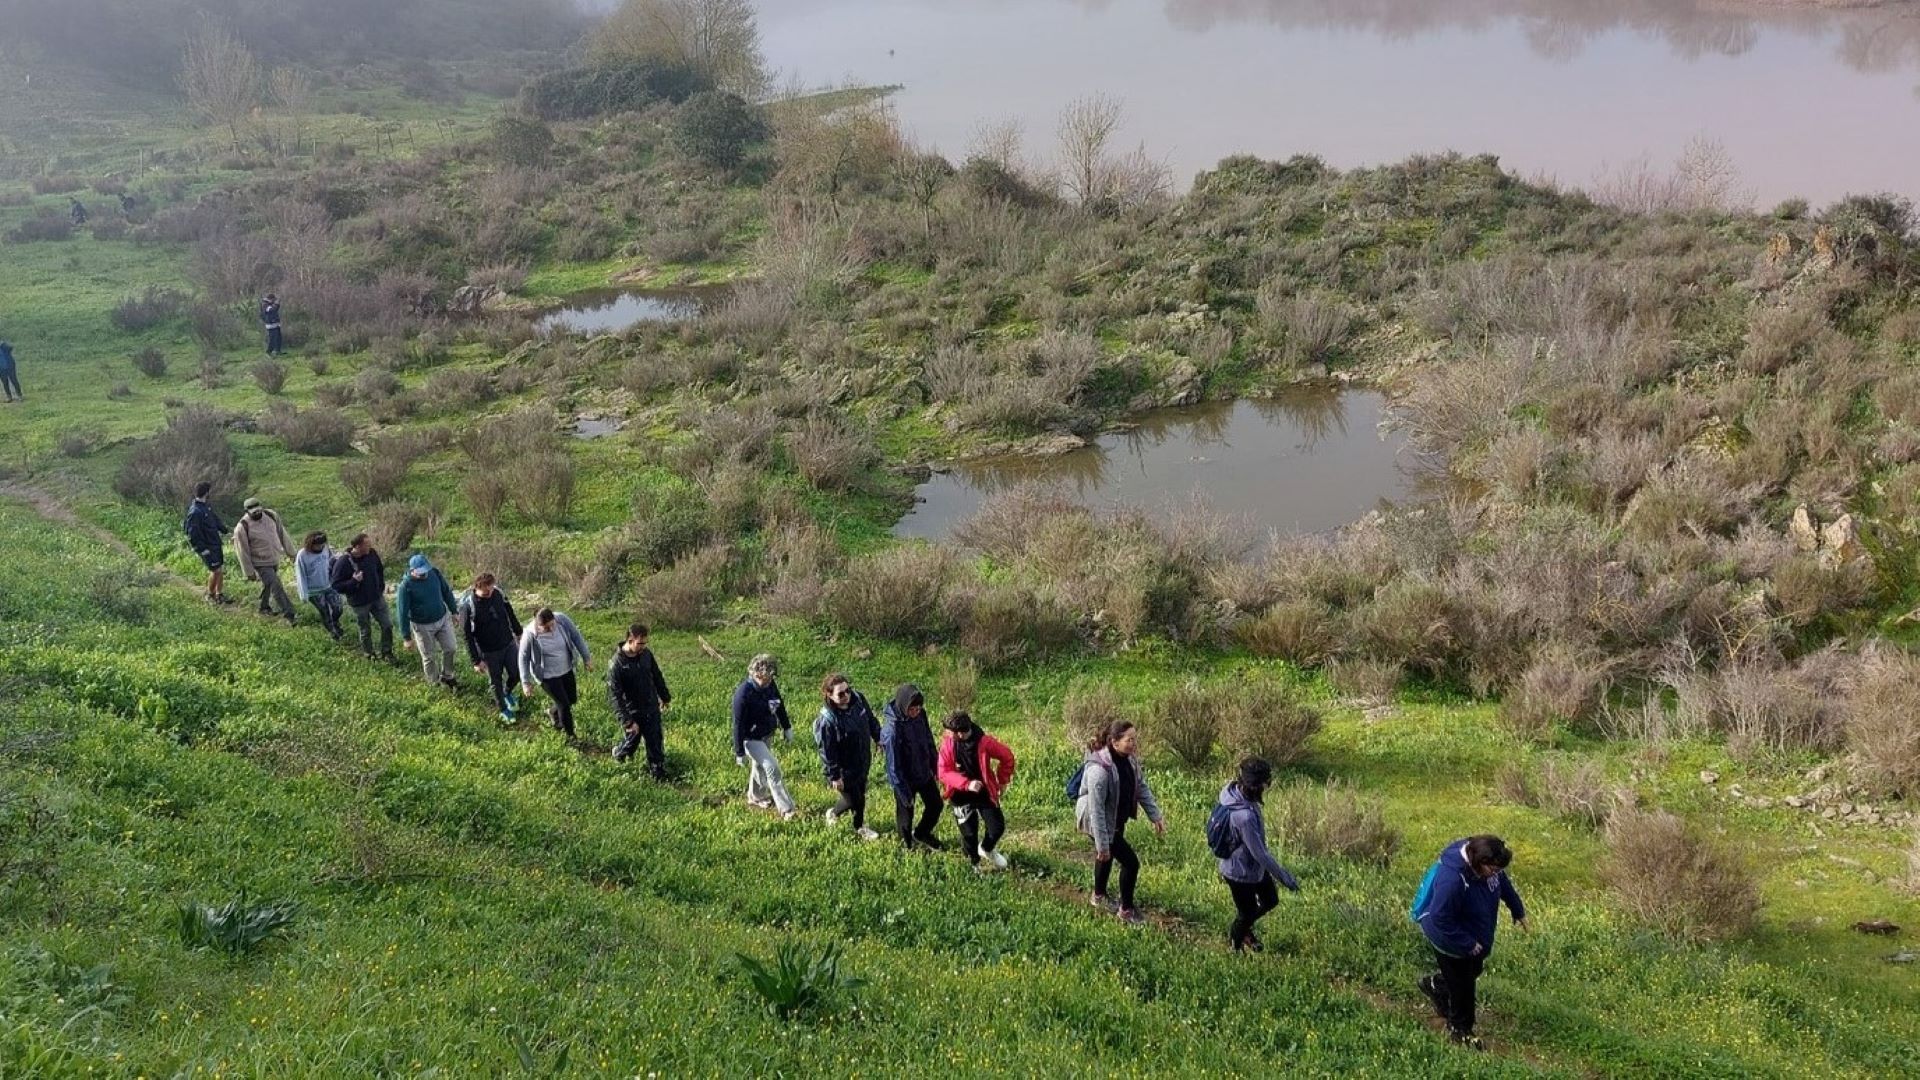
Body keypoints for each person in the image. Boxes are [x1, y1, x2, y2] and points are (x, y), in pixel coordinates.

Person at [1414, 835, 1530, 1050]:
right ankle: (1460, 1030)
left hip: (1472, 936)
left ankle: (1436, 986)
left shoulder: (1488, 866)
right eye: (1493, 869)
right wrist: (1467, 943)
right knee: (1464, 986)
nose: (1496, 873)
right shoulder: (1453, 879)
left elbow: (1502, 881)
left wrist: (1517, 909)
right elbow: (1441, 918)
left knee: (1471, 972)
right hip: (1448, 939)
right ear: (1480, 862)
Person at [1076, 720, 1167, 924]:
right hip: (1096, 820)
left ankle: (1098, 897)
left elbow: (1140, 786)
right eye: (1129, 739)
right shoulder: (1099, 771)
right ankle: (1126, 910)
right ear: (1114, 742)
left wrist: (1156, 816)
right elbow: (1097, 811)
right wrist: (1102, 843)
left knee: (1106, 856)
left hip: (1116, 818)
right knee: (1130, 863)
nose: (1134, 743)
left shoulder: (1129, 760)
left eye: (1135, 738)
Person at [1215, 758, 1302, 953]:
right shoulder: (1243, 816)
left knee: (1270, 900)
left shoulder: (1235, 792)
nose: (1267, 787)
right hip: (1239, 874)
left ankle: (1244, 931)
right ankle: (1235, 946)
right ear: (1256, 786)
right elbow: (1260, 854)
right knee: (1246, 914)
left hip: (1253, 869)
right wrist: (1285, 877)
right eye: (1266, 783)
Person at [937, 711, 1017, 873]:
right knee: (969, 832)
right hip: (959, 792)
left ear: (960, 733)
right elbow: (943, 772)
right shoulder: (948, 744)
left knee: (997, 827)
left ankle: (987, 848)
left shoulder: (984, 742)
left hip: (983, 791)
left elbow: (1007, 756)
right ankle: (973, 863)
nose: (946, 734)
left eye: (949, 732)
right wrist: (966, 784)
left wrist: (1002, 781)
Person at [815, 674, 883, 841]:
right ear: (829, 695)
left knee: (860, 793)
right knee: (855, 799)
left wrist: (878, 737)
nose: (846, 696)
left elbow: (871, 719)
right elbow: (827, 750)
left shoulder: (858, 699)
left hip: (862, 759)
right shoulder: (827, 720)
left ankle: (840, 816)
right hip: (843, 767)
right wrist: (835, 776)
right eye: (841, 694)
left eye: (848, 690)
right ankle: (858, 826)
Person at [731, 654, 798, 820]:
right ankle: (787, 809)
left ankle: (755, 796)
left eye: (771, 677)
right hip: (751, 738)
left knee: (759, 766)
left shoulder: (769, 684)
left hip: (766, 732)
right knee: (771, 767)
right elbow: (738, 725)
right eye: (766, 678)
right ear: (756, 674)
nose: (769, 682)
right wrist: (739, 752)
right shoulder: (742, 695)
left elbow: (778, 703)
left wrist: (786, 727)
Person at [880, 683, 943, 850]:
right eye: (912, 709)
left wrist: (935, 767)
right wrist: (903, 791)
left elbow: (929, 741)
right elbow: (893, 766)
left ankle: (922, 833)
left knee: (936, 805)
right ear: (903, 706)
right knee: (905, 816)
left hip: (923, 771)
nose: (916, 712)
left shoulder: (921, 715)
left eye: (918, 708)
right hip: (905, 778)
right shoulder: (892, 730)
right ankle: (906, 846)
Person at [517, 607, 591, 739]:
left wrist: (587, 658)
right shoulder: (530, 634)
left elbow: (576, 636)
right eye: (546, 628)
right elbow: (523, 657)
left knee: (571, 699)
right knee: (564, 705)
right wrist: (525, 682)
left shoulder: (561, 619)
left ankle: (552, 711)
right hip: (547, 676)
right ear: (538, 624)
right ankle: (570, 736)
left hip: (566, 669)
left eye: (552, 625)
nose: (551, 629)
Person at [608, 622, 672, 777]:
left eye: (645, 643)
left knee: (655, 739)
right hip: (632, 711)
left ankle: (657, 769)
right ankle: (619, 753)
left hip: (650, 706)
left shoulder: (646, 655)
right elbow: (614, 695)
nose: (643, 646)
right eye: (640, 643)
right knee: (632, 742)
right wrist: (627, 721)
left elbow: (656, 675)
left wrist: (664, 697)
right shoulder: (617, 664)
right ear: (630, 641)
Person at [459, 573, 523, 725]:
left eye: (492, 590)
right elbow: (466, 635)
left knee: (517, 673)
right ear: (476, 588)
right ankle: (502, 709)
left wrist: (519, 632)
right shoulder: (468, 607)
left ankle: (507, 693)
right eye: (486, 592)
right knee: (496, 682)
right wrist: (476, 661)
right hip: (488, 651)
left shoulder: (498, 594)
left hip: (508, 643)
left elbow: (510, 612)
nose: (490, 594)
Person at [396, 554, 460, 688]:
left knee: (451, 647)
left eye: (425, 570)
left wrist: (454, 611)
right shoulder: (406, 586)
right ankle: (433, 682)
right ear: (412, 570)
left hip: (442, 619)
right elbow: (402, 612)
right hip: (422, 625)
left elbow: (446, 592)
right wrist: (406, 637)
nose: (423, 574)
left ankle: (448, 676)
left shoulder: (434, 574)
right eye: (420, 572)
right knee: (429, 656)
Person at [232, 497, 297, 625]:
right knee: (276, 585)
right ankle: (290, 614)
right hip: (260, 563)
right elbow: (242, 551)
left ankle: (264, 607)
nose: (257, 513)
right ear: (247, 511)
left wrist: (292, 553)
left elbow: (282, 534)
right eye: (253, 512)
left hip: (274, 558)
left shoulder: (271, 516)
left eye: (258, 510)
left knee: (268, 584)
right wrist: (249, 572)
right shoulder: (242, 527)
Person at [331, 533, 394, 661]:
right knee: (365, 630)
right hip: (359, 603)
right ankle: (369, 654)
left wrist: (380, 587)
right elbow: (336, 585)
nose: (370, 547)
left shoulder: (372, 554)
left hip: (376, 598)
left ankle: (387, 653)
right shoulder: (343, 562)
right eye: (367, 545)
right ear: (357, 546)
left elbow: (379, 570)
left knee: (387, 625)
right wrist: (353, 581)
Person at [183, 481, 230, 605]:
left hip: (215, 544)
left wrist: (226, 531)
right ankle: (209, 595)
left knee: (220, 569)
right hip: (207, 547)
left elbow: (215, 520)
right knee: (216, 570)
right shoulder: (195, 512)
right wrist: (202, 549)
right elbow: (192, 534)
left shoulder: (206, 507)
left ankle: (219, 594)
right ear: (207, 493)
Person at [294, 531, 344, 641]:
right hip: (314, 591)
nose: (320, 547)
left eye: (322, 544)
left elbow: (332, 562)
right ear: (310, 544)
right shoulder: (302, 555)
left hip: (329, 585)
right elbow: (300, 575)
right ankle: (333, 633)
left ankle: (335, 622)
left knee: (338, 608)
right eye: (318, 545)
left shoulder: (326, 549)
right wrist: (304, 594)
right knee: (325, 612)